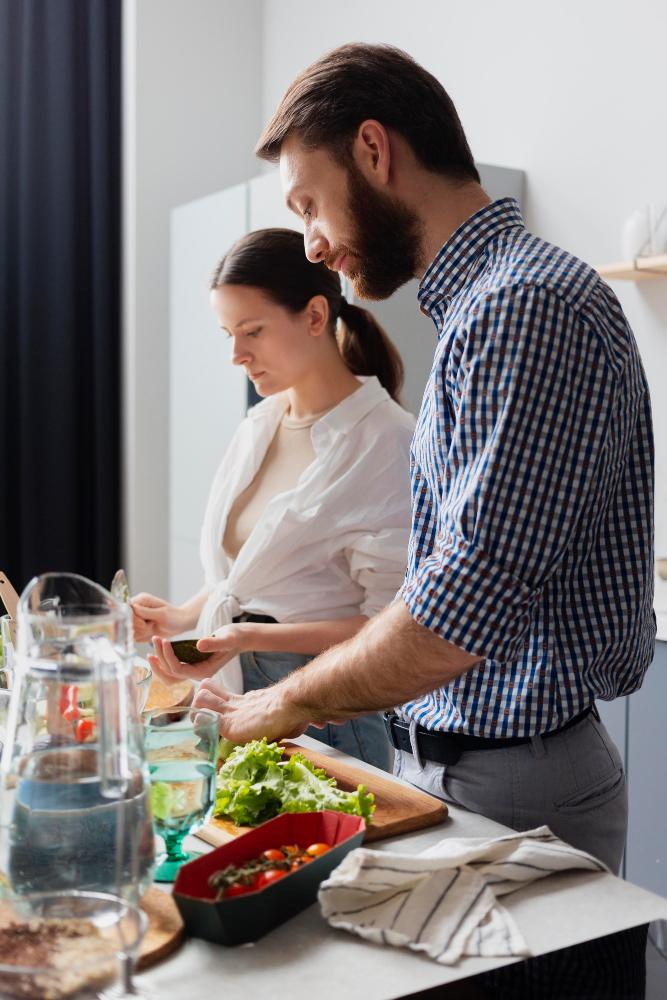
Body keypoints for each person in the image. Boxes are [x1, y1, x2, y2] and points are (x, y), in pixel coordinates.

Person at [190, 44, 655, 875]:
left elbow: (460, 605)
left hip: (520, 778)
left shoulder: (522, 305)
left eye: (311, 205)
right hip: (471, 760)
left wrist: (272, 705)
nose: (312, 244)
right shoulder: (482, 309)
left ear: (375, 151)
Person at [133, 227, 415, 771]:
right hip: (237, 700)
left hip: (323, 712)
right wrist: (178, 617)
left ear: (314, 316)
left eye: (252, 331)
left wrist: (249, 636)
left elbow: (390, 625)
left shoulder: (387, 441)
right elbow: (247, 577)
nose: (237, 355)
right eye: (228, 334)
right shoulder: (260, 424)